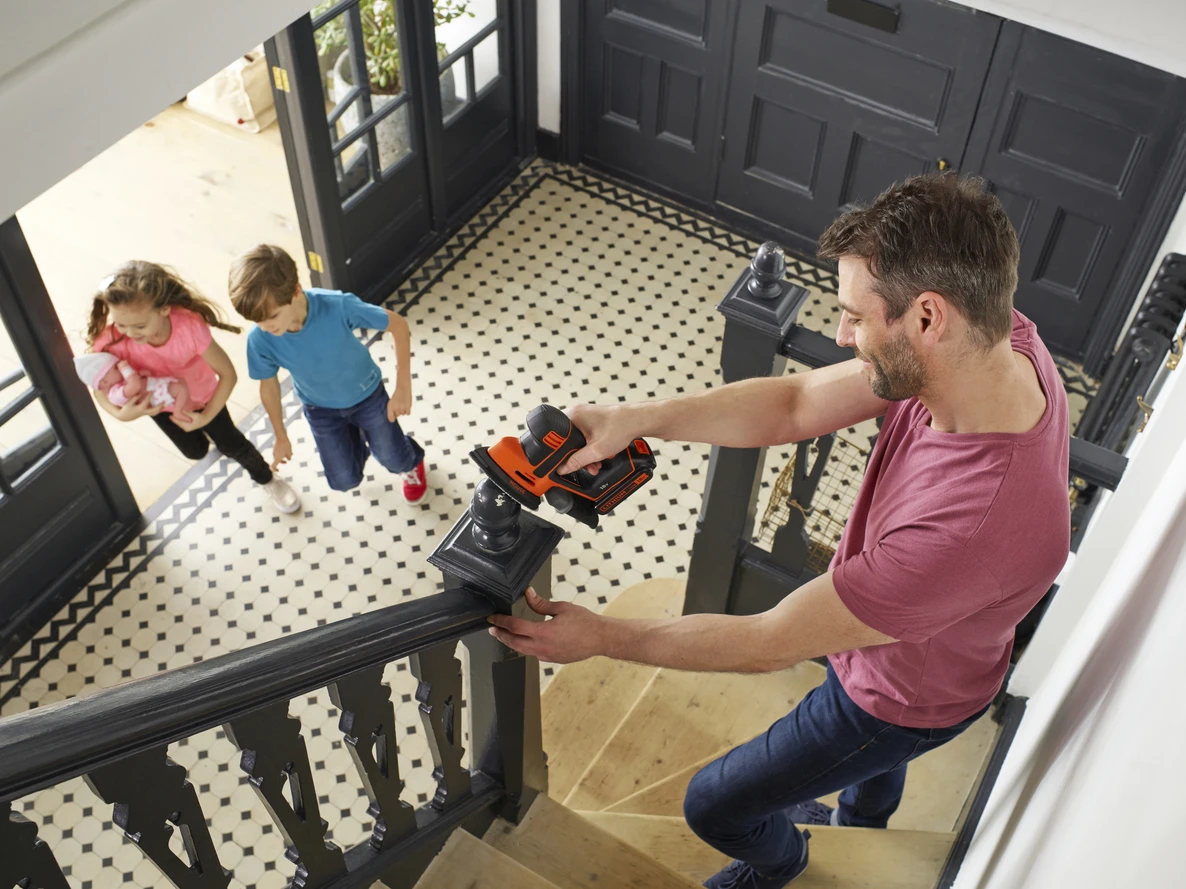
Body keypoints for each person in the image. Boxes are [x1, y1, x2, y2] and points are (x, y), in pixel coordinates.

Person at [487, 174, 1071, 888]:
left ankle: (784, 863)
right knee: (872, 784)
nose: (842, 335)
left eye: (854, 316)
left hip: (896, 700)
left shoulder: (966, 530)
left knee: (715, 804)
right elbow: (795, 403)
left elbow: (768, 642)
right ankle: (861, 827)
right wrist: (638, 418)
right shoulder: (997, 340)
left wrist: (603, 637)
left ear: (927, 317)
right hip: (938, 646)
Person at [86, 262, 301, 514]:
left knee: (232, 444)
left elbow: (228, 375)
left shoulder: (189, 326)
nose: (130, 333)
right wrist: (121, 414)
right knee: (195, 451)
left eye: (140, 326)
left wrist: (206, 417)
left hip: (204, 400)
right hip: (160, 408)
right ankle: (208, 440)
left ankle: (267, 479)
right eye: (121, 324)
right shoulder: (112, 338)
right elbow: (98, 385)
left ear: (164, 309)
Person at [227, 245, 427, 503]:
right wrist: (280, 435)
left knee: (394, 459)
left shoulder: (338, 306)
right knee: (344, 480)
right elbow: (269, 386)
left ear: (296, 290)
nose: (265, 327)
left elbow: (397, 325)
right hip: (320, 409)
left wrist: (403, 387)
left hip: (367, 396)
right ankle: (365, 438)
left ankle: (411, 460)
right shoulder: (260, 339)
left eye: (272, 316)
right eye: (257, 321)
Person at [74, 351, 192, 415]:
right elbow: (135, 385)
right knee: (180, 389)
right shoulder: (114, 395)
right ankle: (178, 412)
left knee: (182, 384)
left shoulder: (118, 383)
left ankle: (181, 407)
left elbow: (134, 381)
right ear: (104, 382)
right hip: (155, 395)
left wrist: (141, 374)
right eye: (115, 368)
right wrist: (125, 368)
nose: (119, 368)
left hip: (154, 388)